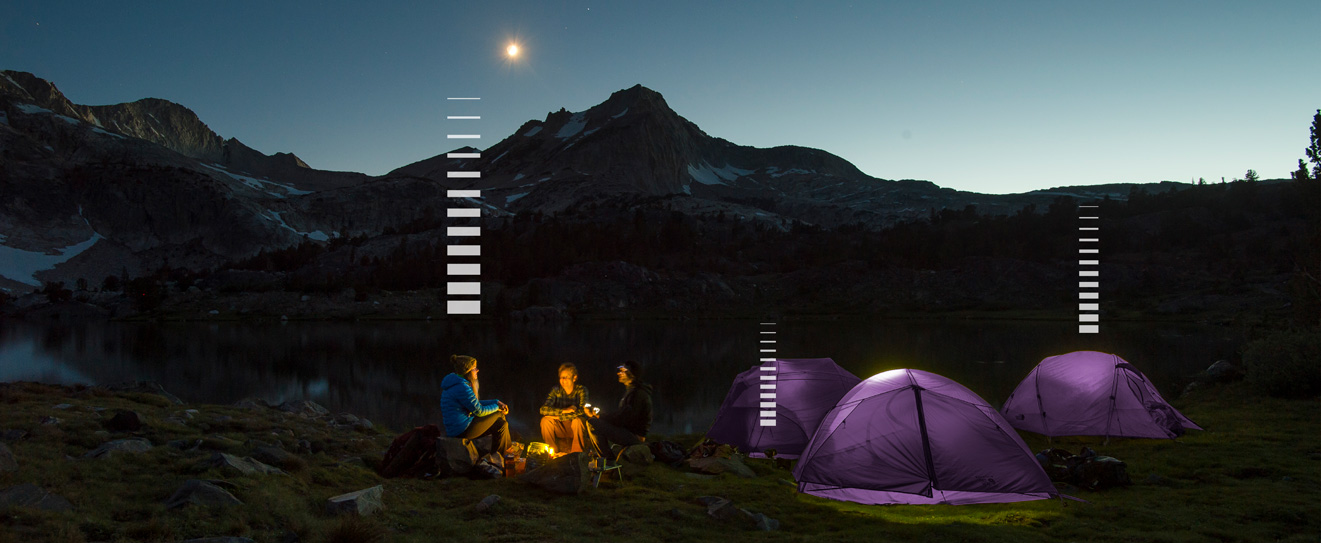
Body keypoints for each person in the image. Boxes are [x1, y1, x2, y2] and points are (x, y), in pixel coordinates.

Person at [439, 355, 511, 457]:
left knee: (501, 424)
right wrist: (497, 407)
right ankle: (504, 456)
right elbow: (479, 411)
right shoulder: (462, 387)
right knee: (499, 414)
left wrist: (496, 402)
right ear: (468, 371)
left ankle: (499, 456)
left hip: (458, 428)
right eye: (474, 368)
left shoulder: (456, 384)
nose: (477, 370)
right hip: (461, 431)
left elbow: (474, 404)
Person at [586, 360, 653, 454]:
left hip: (634, 436)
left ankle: (607, 460)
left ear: (632, 374)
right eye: (619, 370)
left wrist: (600, 416)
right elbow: (621, 416)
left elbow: (623, 419)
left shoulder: (637, 394)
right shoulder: (632, 391)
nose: (619, 373)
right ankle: (604, 457)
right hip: (630, 432)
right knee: (596, 421)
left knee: (592, 423)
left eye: (623, 370)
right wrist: (600, 416)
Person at [538, 363, 597, 455]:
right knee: (545, 420)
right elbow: (543, 409)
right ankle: (552, 453)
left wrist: (558, 417)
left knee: (578, 421)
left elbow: (582, 411)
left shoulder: (581, 390)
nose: (562, 380)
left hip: (575, 428)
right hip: (561, 428)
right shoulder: (556, 390)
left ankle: (576, 454)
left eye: (566, 377)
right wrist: (564, 410)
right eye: (561, 377)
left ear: (574, 378)